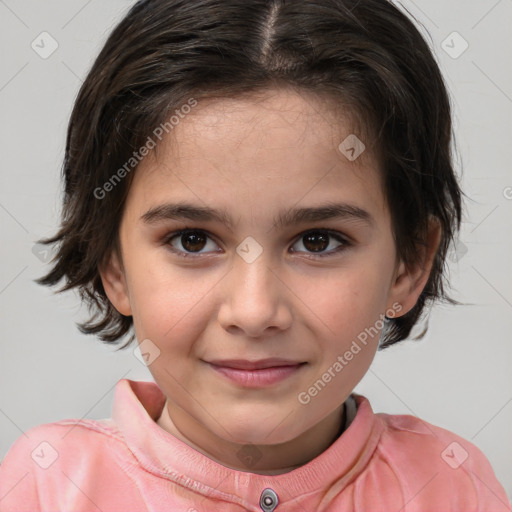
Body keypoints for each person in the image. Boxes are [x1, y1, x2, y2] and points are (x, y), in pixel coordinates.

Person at [1, 0, 510, 510]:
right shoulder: (47, 487)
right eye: (193, 240)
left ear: (408, 265)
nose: (253, 312)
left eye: (317, 241)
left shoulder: (451, 486)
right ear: (113, 264)